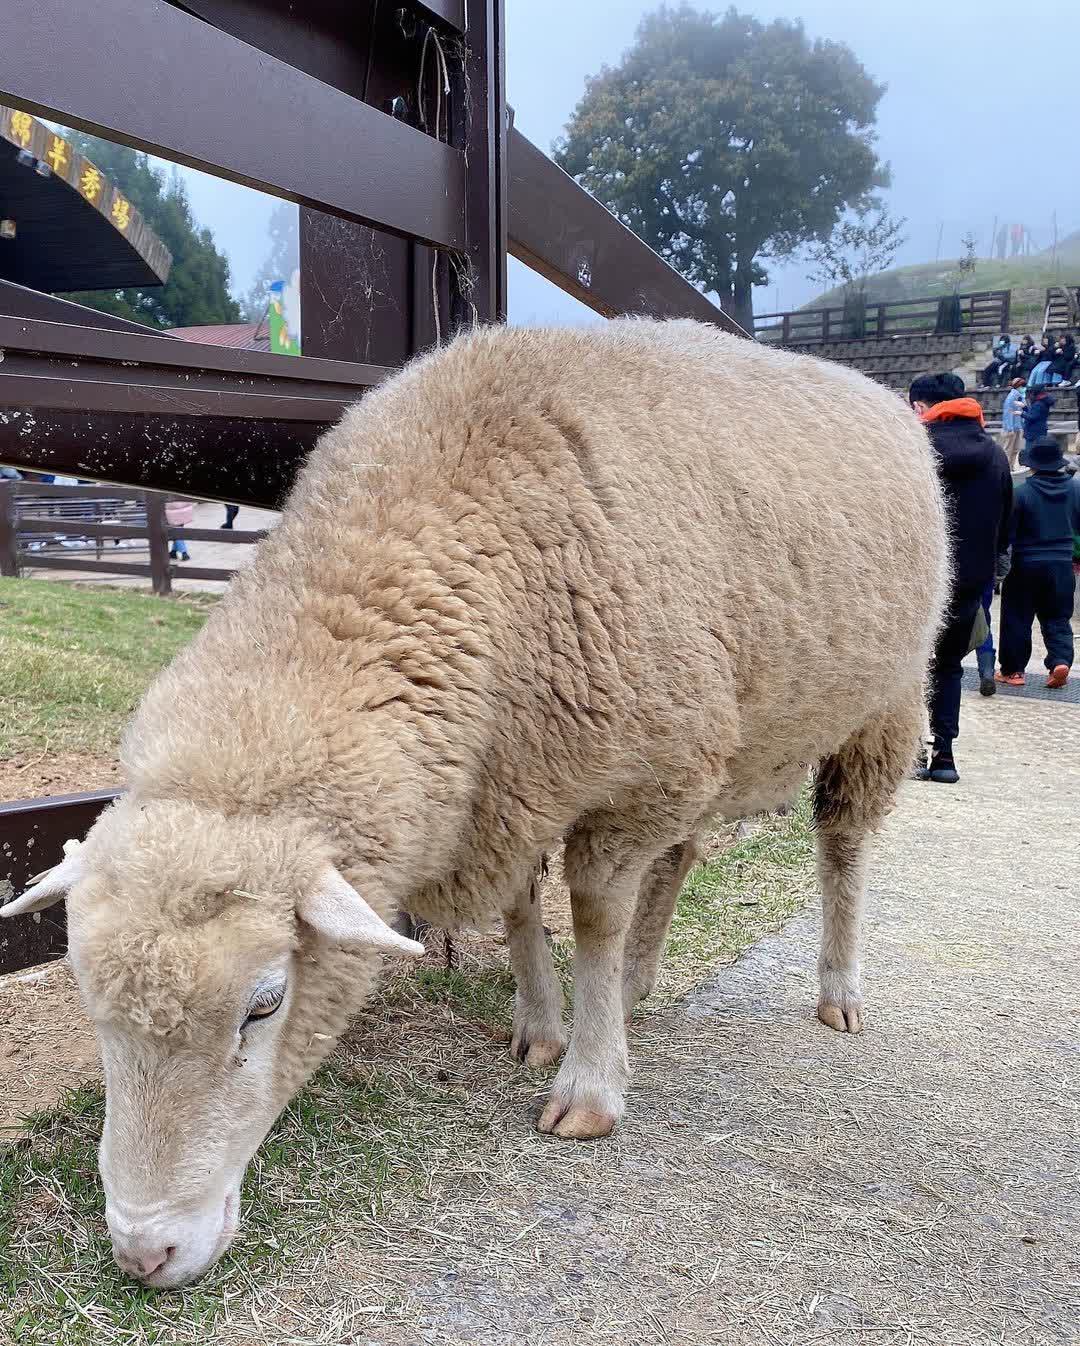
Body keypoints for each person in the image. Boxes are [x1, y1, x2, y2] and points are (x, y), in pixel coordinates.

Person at [909, 373, 1012, 783]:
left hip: (917, 581)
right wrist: (994, 570)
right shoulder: (995, 454)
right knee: (949, 667)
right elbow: (1007, 522)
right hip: (969, 581)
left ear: (921, 407)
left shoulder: (915, 450)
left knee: (911, 669)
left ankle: (912, 751)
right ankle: (945, 757)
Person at [996, 434, 1080, 689]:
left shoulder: (1021, 493)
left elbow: (1006, 534)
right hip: (1062, 563)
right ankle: (1059, 661)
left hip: (1026, 564)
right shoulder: (1076, 489)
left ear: (1032, 464)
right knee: (1058, 617)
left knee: (1017, 617)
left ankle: (1013, 672)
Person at [1021, 385, 1055, 462]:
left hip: (1034, 432)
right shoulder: (1043, 402)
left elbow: (1032, 417)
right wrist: (1024, 408)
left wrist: (1021, 414)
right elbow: (1034, 413)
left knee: (1031, 453)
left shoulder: (1039, 404)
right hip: (1040, 430)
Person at [1000, 377, 1026, 469]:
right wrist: (1010, 428)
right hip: (1011, 428)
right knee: (1008, 449)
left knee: (1015, 449)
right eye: (1022, 386)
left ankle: (1011, 466)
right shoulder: (1011, 397)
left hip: (1018, 426)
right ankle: (1006, 467)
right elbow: (1008, 413)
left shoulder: (1020, 397)